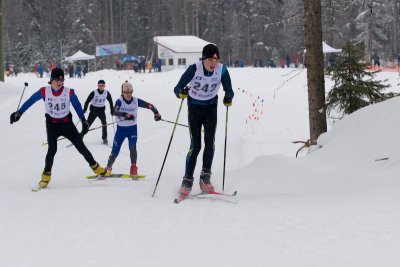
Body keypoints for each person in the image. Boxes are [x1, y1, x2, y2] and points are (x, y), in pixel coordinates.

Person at [9, 68, 107, 189]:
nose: (59, 82)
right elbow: (30, 101)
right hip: (52, 125)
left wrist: (83, 120)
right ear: (51, 80)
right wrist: (19, 112)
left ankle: (96, 168)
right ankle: (46, 175)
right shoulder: (44, 91)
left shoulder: (69, 92)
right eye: (56, 79)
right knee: (52, 150)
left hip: (67, 125)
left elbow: (77, 105)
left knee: (81, 147)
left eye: (61, 79)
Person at [173, 43, 234, 197]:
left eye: (216, 60)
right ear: (203, 59)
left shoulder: (222, 70)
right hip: (194, 108)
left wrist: (228, 97)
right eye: (210, 60)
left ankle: (205, 178)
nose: (214, 64)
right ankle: (187, 180)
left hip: (211, 108)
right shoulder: (194, 69)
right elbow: (177, 89)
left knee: (210, 143)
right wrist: (181, 93)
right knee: (196, 145)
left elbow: (229, 89)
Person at [104, 81, 161, 176]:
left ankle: (133, 168)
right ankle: (108, 168)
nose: (128, 94)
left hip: (132, 129)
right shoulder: (120, 101)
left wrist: (156, 113)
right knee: (115, 151)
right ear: (122, 92)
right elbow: (114, 112)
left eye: (130, 92)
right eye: (126, 92)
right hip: (121, 130)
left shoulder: (135, 100)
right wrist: (125, 115)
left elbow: (149, 105)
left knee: (132, 148)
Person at [80, 80, 114, 144]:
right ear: (98, 86)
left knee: (104, 124)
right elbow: (87, 101)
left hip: (101, 111)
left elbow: (111, 102)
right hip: (94, 110)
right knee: (88, 124)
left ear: (104, 86)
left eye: (102, 85)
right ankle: (81, 136)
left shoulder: (106, 93)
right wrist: (85, 109)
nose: (101, 87)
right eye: (100, 85)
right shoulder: (94, 92)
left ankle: (104, 138)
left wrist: (112, 110)